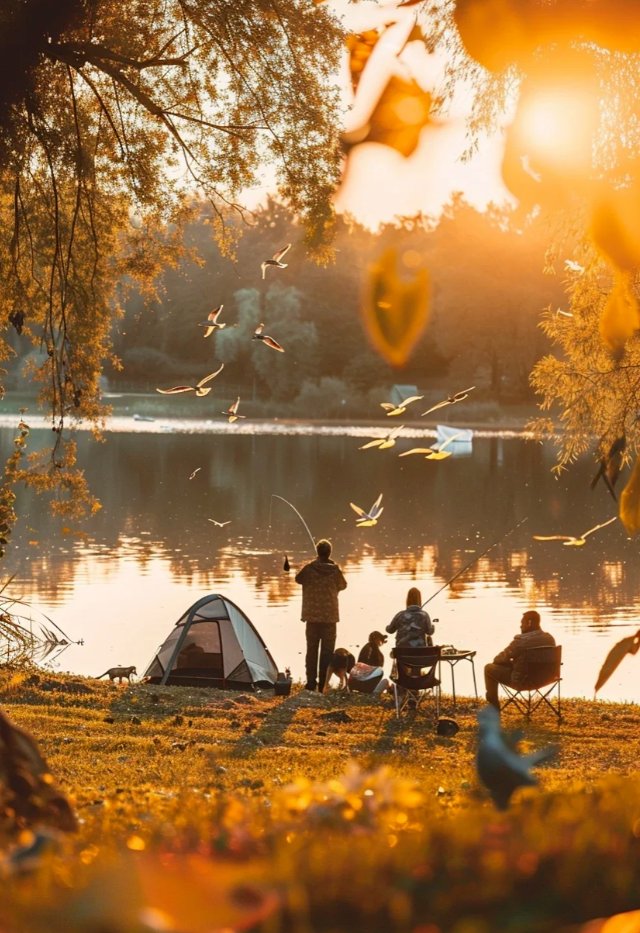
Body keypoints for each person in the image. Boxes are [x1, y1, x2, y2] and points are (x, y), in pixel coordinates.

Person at [295, 538, 347, 692]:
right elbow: (343, 585)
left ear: (318, 552)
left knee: (311, 651)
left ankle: (311, 683)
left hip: (312, 618)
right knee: (326, 653)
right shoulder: (335, 570)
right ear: (329, 553)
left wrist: (313, 563)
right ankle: (323, 684)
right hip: (330, 619)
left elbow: (298, 579)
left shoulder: (309, 569)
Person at [484, 609, 556, 709]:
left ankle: (493, 707)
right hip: (546, 679)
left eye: (522, 623)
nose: (520, 626)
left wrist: (508, 662)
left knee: (488, 668)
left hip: (522, 681)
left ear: (529, 623)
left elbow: (498, 659)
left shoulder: (521, 641)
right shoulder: (550, 639)